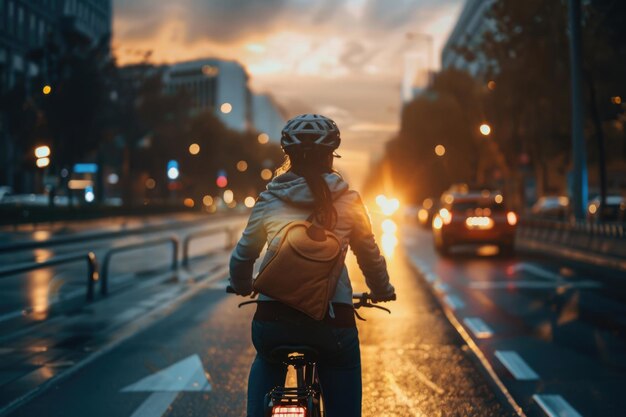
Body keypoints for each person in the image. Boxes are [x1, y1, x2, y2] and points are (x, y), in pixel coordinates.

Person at [229, 113, 395, 417]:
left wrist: (241, 285)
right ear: (331, 155)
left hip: (273, 320)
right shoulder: (349, 200)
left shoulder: (269, 198)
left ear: (288, 156)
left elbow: (242, 256)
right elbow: (369, 255)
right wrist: (382, 289)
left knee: (266, 359)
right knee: (342, 365)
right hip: (332, 323)